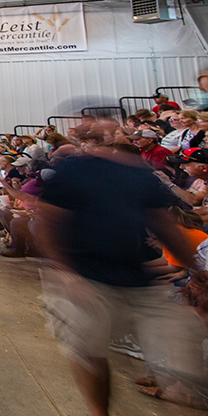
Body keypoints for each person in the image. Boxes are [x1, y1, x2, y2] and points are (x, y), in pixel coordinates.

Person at [36, 133, 208, 415]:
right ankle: (98, 412)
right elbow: (47, 219)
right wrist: (64, 273)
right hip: (86, 276)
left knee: (182, 365)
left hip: (140, 278)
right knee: (88, 351)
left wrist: (195, 268)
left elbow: (163, 222)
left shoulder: (139, 174)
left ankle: (179, 388)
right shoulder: (73, 170)